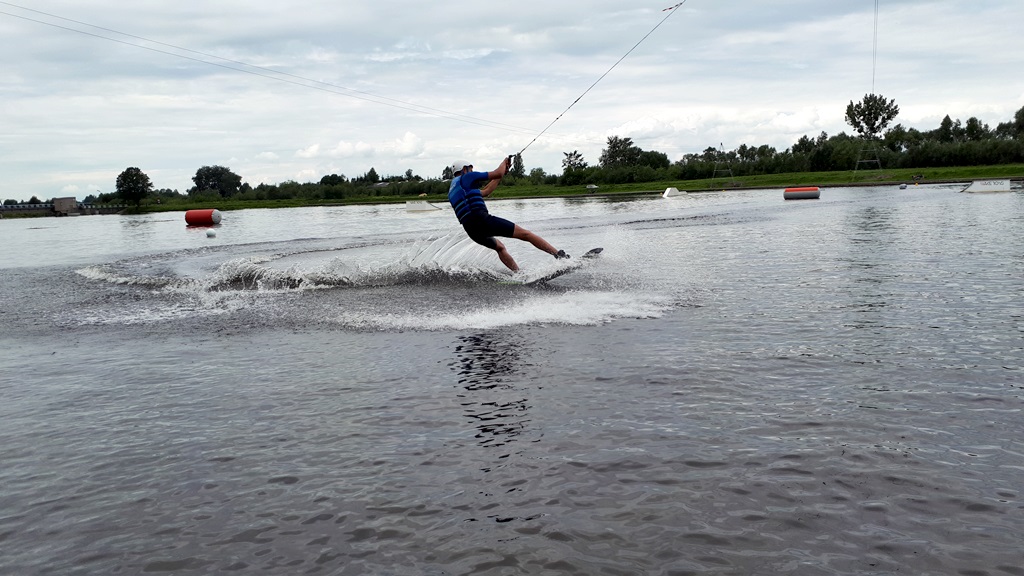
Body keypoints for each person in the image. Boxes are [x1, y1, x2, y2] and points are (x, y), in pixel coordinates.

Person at [448, 158, 568, 272]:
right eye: (471, 168)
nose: (472, 171)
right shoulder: (467, 177)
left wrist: (501, 173)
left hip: (471, 230)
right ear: (464, 169)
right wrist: (504, 163)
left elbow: (486, 191)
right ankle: (560, 256)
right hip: (482, 220)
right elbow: (497, 173)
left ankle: (519, 274)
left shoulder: (455, 189)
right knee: (526, 234)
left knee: (499, 247)